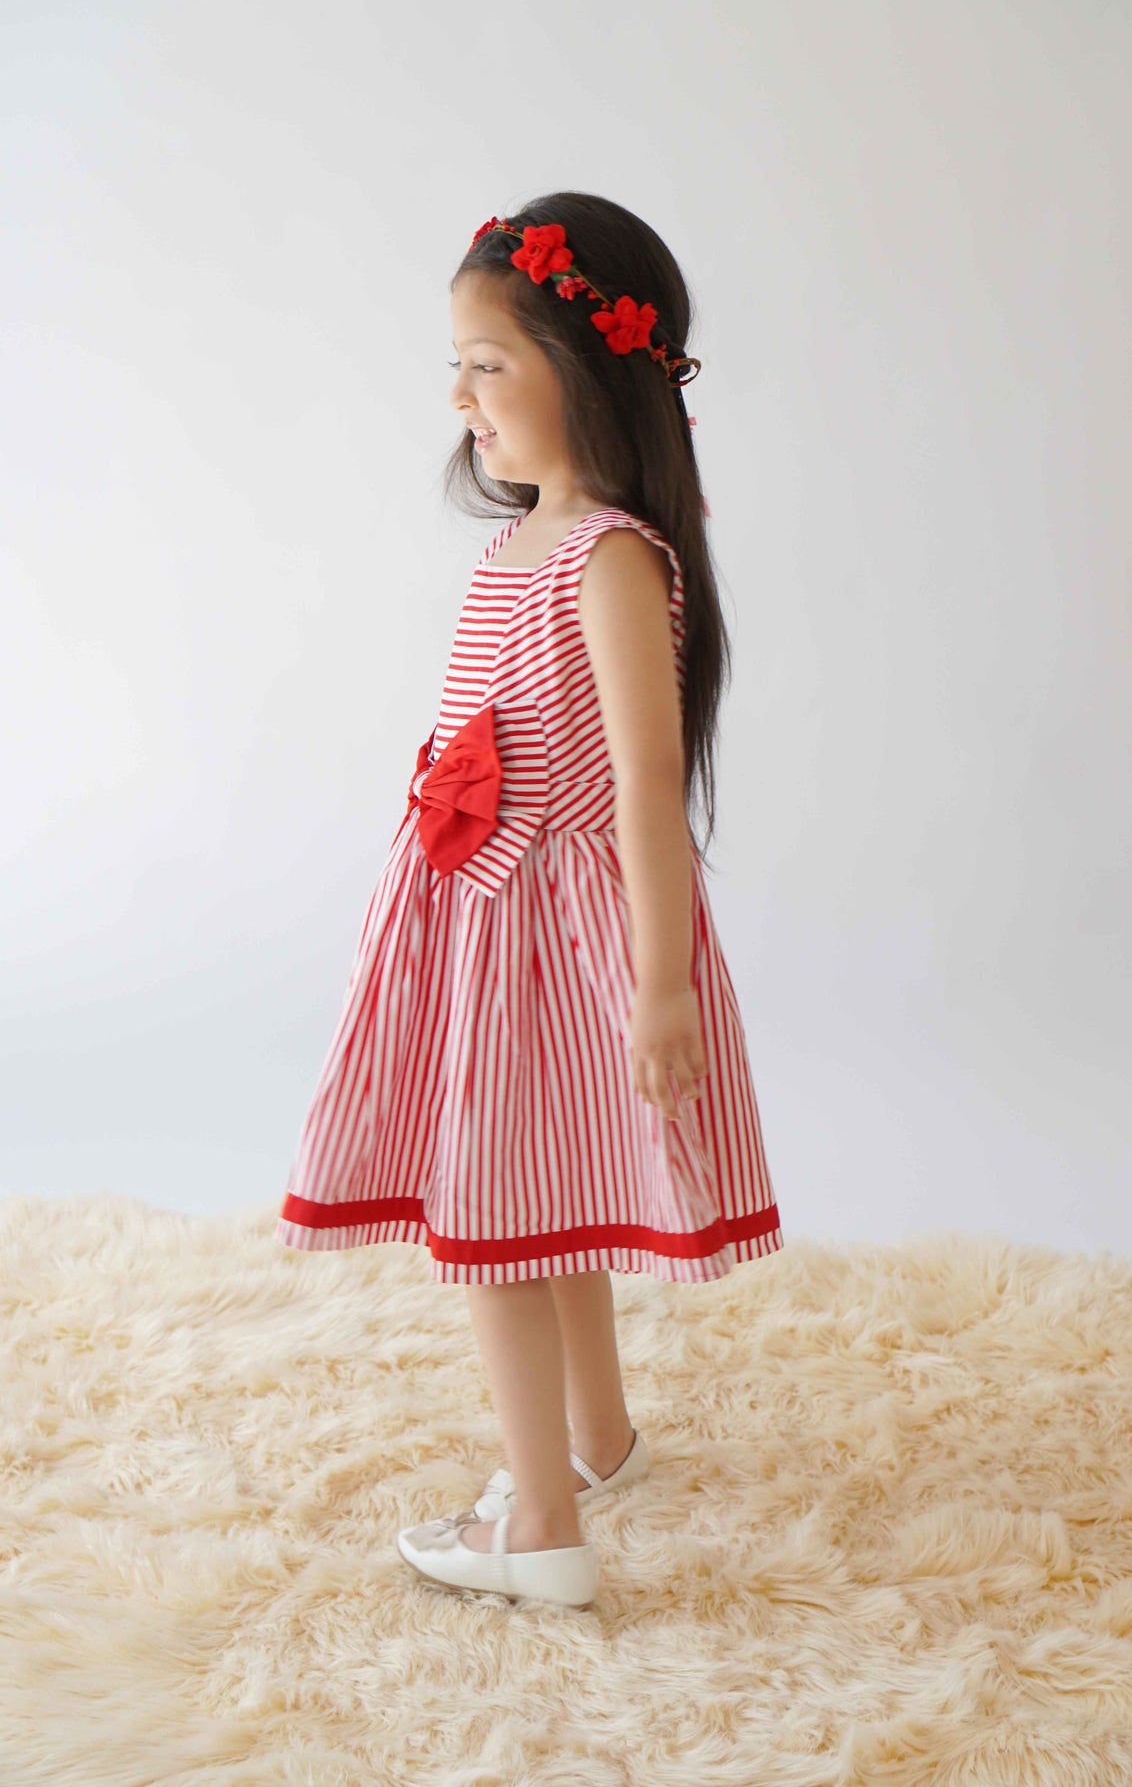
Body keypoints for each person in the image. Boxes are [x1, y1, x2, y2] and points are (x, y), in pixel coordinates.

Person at [273, 191, 784, 1610]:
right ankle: (595, 1439)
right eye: (458, 365)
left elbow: (644, 788)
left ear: (586, 368)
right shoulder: (519, 546)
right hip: (476, 919)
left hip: (549, 937)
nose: (460, 396)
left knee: (494, 1210)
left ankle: (541, 1531)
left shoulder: (607, 555)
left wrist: (664, 985)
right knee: (543, 1186)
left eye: (488, 364)